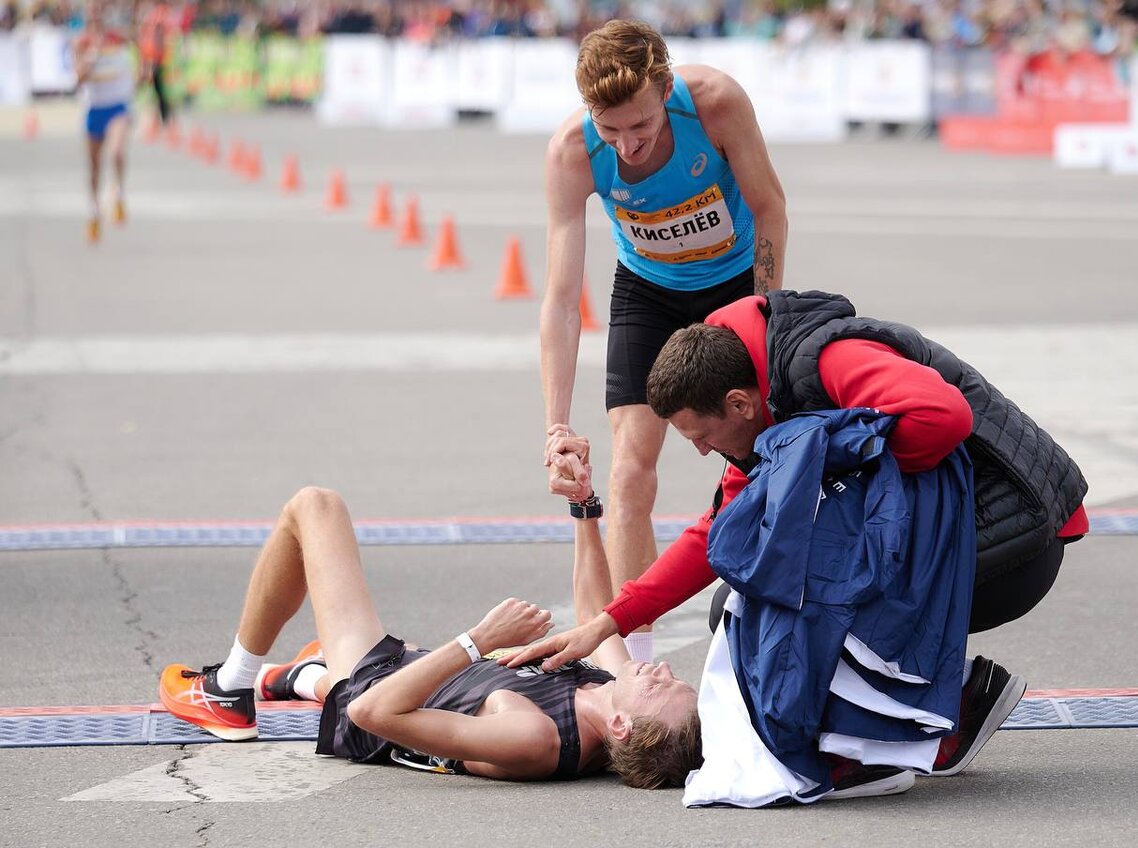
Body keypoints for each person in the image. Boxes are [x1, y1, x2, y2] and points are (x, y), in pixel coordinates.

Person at [504, 289, 1090, 778]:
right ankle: (955, 700)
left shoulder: (828, 361)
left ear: (738, 403)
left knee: (802, 602)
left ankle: (937, 725)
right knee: (739, 604)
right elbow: (718, 537)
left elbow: (946, 416)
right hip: (973, 533)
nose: (705, 451)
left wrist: (839, 480)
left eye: (702, 437)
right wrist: (607, 623)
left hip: (1019, 537)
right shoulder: (760, 410)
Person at [158, 485, 701, 787]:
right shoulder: (610, 685)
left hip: (372, 692)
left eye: (659, 688)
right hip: (412, 669)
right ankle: (306, 676)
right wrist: (582, 502)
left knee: (315, 507)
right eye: (675, 677)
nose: (661, 668)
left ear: (622, 728)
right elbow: (594, 611)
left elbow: (373, 713)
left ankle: (230, 688)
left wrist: (479, 638)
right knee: (323, 663)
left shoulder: (535, 738)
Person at [540, 20, 788, 664]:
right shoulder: (572, 151)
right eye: (610, 128)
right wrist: (555, 426)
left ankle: (770, 618)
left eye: (642, 126)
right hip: (647, 293)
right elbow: (563, 301)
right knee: (627, 474)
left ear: (667, 90)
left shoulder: (716, 103)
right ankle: (642, 664)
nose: (626, 145)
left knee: (756, 454)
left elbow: (769, 208)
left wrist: (764, 318)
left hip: (733, 284)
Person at [73, 0, 136, 244]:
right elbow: (78, 79)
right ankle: (93, 211)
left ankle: (118, 193)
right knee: (94, 167)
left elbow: (136, 50)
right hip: (94, 109)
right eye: (93, 13)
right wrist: (92, 56)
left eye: (101, 12)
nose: (97, 17)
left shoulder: (118, 39)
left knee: (118, 151)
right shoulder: (81, 42)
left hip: (117, 107)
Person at [138, 0, 177, 128]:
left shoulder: (159, 13)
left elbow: (158, 36)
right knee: (158, 90)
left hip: (157, 59)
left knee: (159, 90)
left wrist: (153, 60)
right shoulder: (157, 12)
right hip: (155, 58)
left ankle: (165, 119)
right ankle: (162, 118)